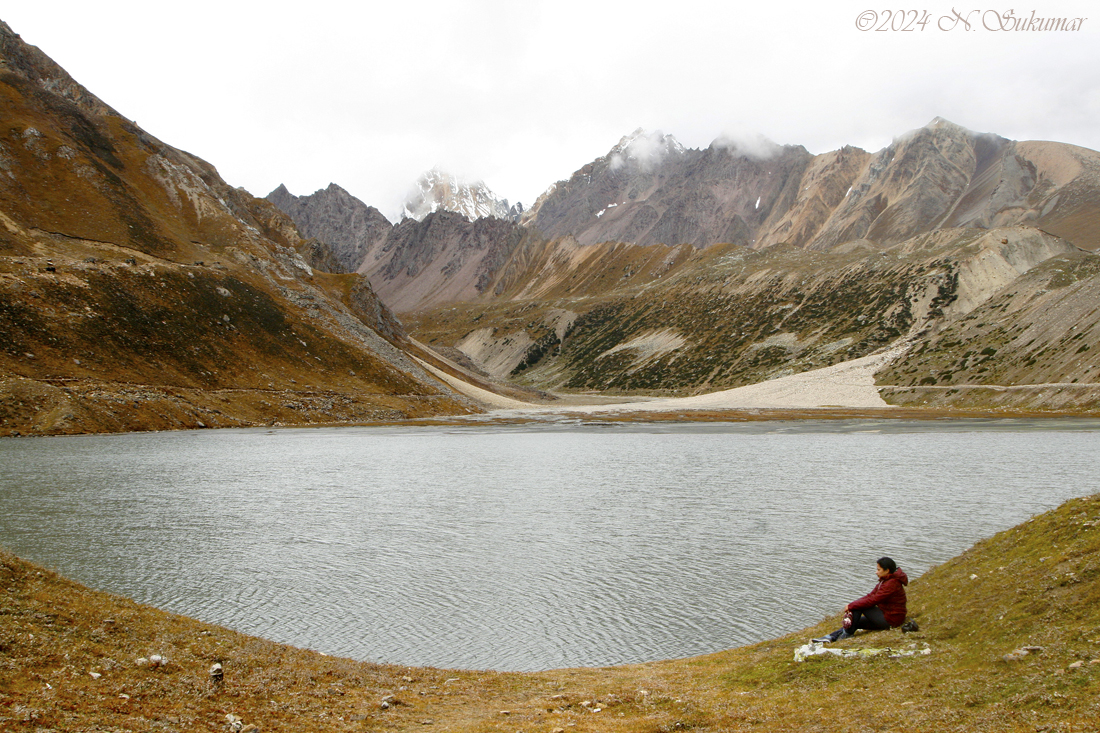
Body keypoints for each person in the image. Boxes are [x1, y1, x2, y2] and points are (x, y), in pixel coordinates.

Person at [812, 557, 908, 643]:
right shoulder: (886, 580)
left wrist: (852, 606)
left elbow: (873, 600)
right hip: (885, 614)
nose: (876, 572)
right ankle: (830, 637)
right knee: (855, 620)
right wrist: (853, 604)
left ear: (887, 570)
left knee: (858, 607)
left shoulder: (891, 584)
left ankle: (847, 635)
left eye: (878, 570)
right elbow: (870, 595)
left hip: (892, 619)